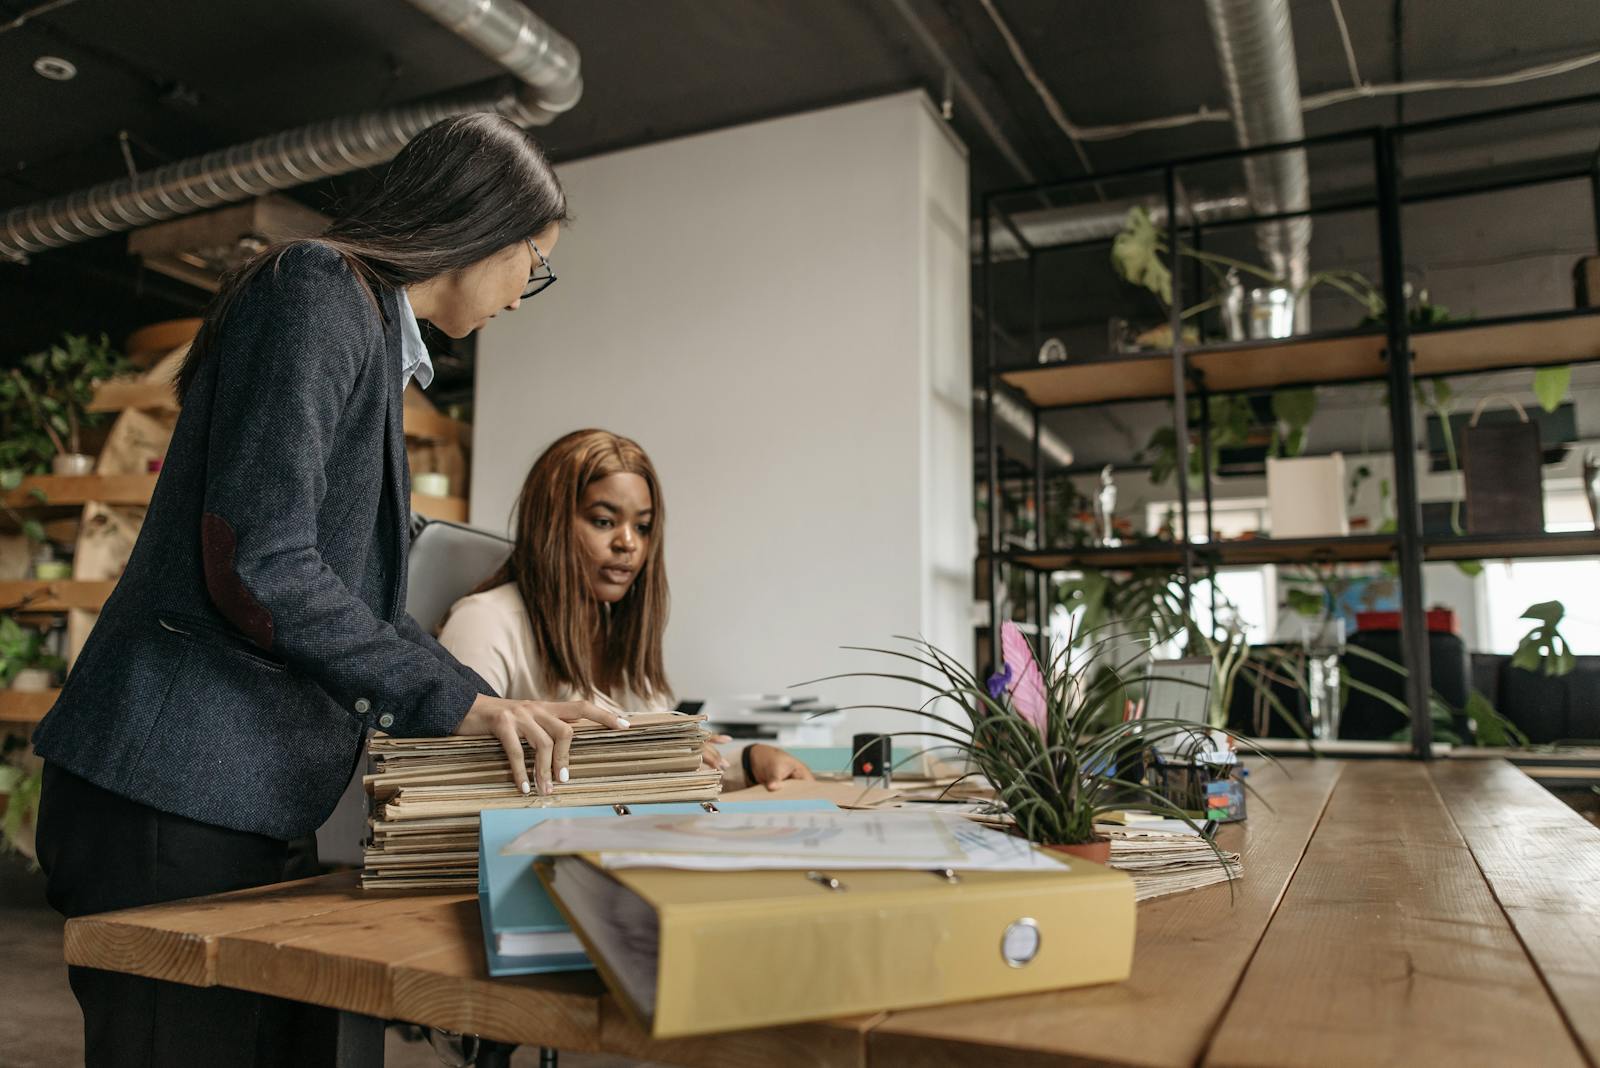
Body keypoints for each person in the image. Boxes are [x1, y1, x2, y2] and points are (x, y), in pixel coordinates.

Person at [29, 114, 624, 1068]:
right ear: (480, 229)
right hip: (172, 790)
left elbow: (367, 610)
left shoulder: (369, 334)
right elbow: (262, 563)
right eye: (532, 263)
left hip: (243, 797)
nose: (526, 293)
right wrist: (459, 702)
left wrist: (501, 707)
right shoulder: (317, 291)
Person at [437, 429, 814, 790]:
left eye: (644, 526)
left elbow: (673, 757)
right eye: (603, 521)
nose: (628, 543)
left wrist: (750, 760)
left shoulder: (615, 632)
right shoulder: (484, 621)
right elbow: (456, 773)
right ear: (549, 523)